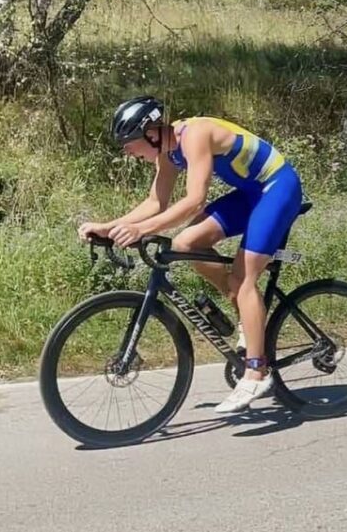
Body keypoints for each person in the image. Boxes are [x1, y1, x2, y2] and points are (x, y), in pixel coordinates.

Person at [78, 96, 303, 412]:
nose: (127, 151)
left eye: (129, 143)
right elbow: (156, 203)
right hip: (251, 194)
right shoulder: (168, 154)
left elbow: (195, 200)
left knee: (244, 279)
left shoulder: (194, 134)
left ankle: (256, 371)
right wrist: (108, 227)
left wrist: (141, 230)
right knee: (185, 244)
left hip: (278, 188)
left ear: (153, 132)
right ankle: (244, 307)